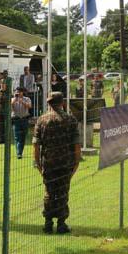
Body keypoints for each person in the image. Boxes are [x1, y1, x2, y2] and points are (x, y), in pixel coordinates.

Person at [33, 92, 81, 234]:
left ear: (48, 103)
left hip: (48, 163)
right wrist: (76, 163)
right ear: (62, 103)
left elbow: (36, 145)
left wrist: (38, 163)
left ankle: (48, 223)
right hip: (66, 163)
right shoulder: (71, 120)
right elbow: (76, 145)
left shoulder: (41, 120)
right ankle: (61, 224)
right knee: (63, 192)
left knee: (49, 192)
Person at [11, 87, 33, 159]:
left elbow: (30, 106)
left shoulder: (27, 99)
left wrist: (22, 101)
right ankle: (19, 153)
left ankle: (20, 151)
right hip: (16, 119)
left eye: (19, 92)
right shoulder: (12, 99)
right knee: (17, 137)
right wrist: (13, 101)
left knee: (23, 137)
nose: (18, 93)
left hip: (24, 119)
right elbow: (9, 108)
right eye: (16, 92)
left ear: (22, 92)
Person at [0, 79, 10, 145]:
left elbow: (10, 102)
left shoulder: (9, 92)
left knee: (7, 126)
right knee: (0, 126)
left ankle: (7, 139)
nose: (3, 85)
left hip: (7, 111)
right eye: (2, 83)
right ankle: (1, 139)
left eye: (4, 83)